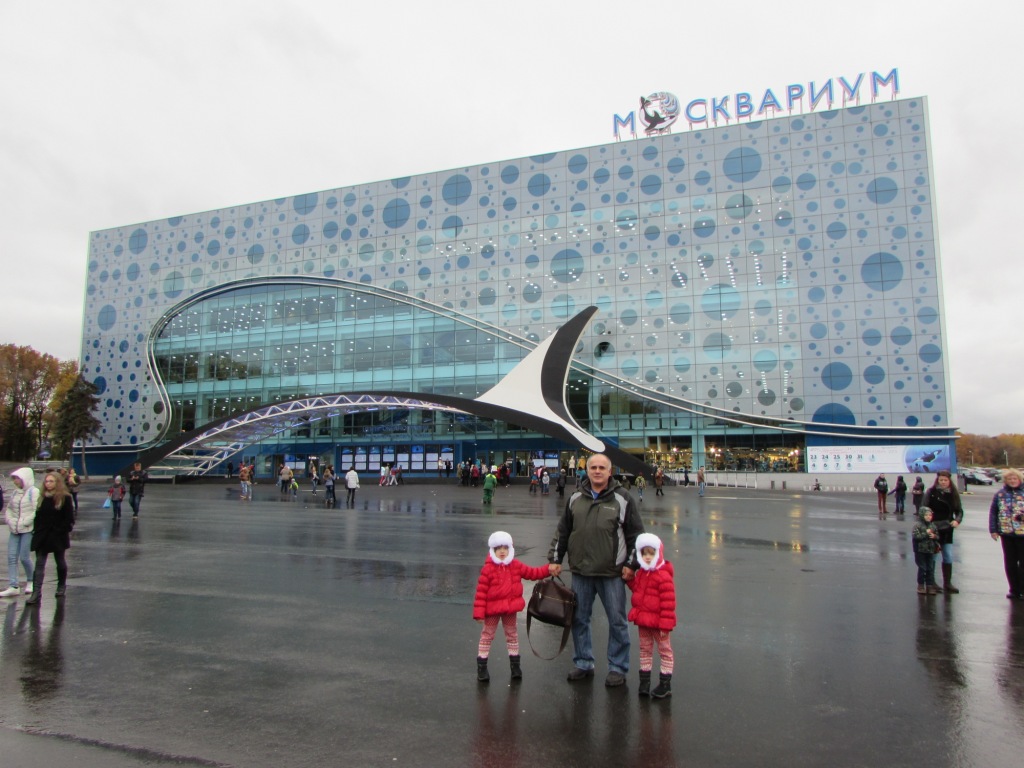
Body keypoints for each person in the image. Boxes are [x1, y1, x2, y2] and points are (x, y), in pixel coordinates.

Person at [549, 453, 644, 687]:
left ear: (610, 472)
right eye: (593, 467)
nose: (598, 471)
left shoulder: (623, 498)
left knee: (617, 621)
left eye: (602, 467)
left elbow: (636, 536)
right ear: (587, 471)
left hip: (612, 573)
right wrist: (555, 558)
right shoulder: (575, 498)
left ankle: (617, 667)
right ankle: (583, 662)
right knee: (579, 619)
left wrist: (631, 564)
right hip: (581, 571)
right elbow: (563, 531)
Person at [473, 531, 559, 683]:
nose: (502, 551)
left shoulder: (515, 565)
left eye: (505, 548)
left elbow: (533, 573)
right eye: (498, 548)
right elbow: (481, 592)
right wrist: (479, 613)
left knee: (512, 635)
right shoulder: (488, 569)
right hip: (492, 610)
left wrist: (548, 569)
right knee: (487, 635)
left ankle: (515, 667)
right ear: (493, 550)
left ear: (510, 549)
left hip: (510, 609)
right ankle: (482, 667)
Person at [624, 532, 676, 698]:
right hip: (644, 622)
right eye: (644, 553)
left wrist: (665, 626)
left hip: (659, 624)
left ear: (658, 554)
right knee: (645, 650)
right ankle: (644, 683)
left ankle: (665, 684)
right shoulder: (643, 573)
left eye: (651, 553)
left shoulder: (663, 576)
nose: (647, 557)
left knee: (664, 651)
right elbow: (639, 591)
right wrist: (629, 580)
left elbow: (668, 603)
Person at [25, 471, 75, 605]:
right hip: (43, 535)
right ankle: (36, 593)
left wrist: (60, 530)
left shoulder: (65, 498)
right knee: (39, 564)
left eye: (51, 481)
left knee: (60, 561)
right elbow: (38, 516)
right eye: (46, 481)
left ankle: (61, 585)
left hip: (58, 536)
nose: (48, 484)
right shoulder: (42, 497)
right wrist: (36, 530)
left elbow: (69, 519)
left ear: (57, 482)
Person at [923, 470, 964, 594]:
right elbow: (923, 509)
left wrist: (957, 520)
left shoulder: (953, 493)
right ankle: (931, 582)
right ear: (937, 480)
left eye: (945, 480)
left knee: (948, 555)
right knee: (933, 555)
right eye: (941, 480)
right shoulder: (931, 492)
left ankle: (947, 583)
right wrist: (927, 524)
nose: (943, 482)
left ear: (949, 481)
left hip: (947, 528)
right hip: (934, 527)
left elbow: (959, 510)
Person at [988, 467, 1024, 600]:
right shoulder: (1000, 494)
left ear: (1020, 479)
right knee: (1010, 563)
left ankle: (1023, 589)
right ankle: (1014, 590)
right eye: (1010, 479)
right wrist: (993, 530)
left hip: (1022, 533)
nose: (1012, 481)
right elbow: (993, 512)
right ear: (1006, 480)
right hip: (1006, 533)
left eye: (1015, 478)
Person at [2, 467, 38, 598]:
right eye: (14, 479)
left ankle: (31, 581)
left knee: (24, 557)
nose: (15, 481)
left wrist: (25, 522)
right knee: (11, 557)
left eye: (17, 478)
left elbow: (36, 510)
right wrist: (10, 521)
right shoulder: (15, 493)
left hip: (27, 530)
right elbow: (9, 509)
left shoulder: (33, 492)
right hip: (15, 529)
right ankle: (13, 585)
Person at [912, 506, 941, 595]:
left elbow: (937, 536)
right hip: (920, 550)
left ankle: (929, 585)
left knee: (930, 568)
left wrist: (934, 536)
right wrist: (926, 533)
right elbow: (916, 537)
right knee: (922, 567)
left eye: (930, 515)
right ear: (922, 515)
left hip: (930, 550)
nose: (928, 517)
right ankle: (921, 585)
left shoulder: (933, 526)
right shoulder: (917, 525)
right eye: (926, 515)